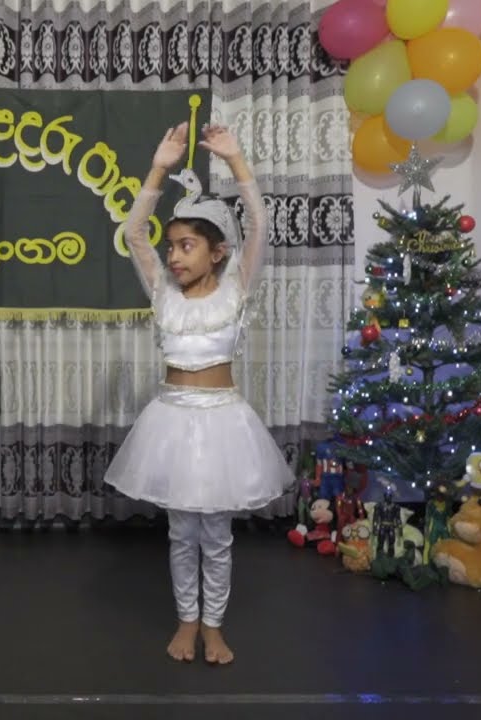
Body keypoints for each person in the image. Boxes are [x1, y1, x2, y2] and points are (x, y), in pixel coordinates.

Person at [104, 122, 294, 665]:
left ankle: (214, 625)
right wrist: (158, 169)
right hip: (171, 418)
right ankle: (187, 620)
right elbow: (134, 232)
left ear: (217, 253)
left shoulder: (236, 287)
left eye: (188, 246)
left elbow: (260, 225)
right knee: (181, 532)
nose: (175, 257)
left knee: (217, 534)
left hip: (222, 421)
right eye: (173, 247)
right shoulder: (163, 293)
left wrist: (237, 162)